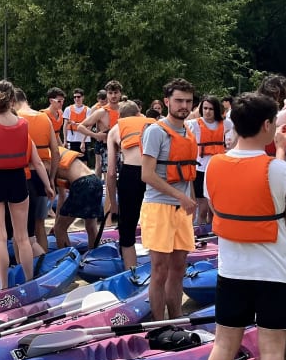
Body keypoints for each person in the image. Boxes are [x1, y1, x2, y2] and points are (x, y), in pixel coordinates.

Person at [192, 92, 286, 360]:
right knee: (272, 350)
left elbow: (216, 204)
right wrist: (284, 154)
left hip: (232, 272)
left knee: (223, 346)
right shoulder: (279, 169)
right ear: (267, 125)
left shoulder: (213, 165)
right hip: (274, 274)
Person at [0, 80, 53, 289]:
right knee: (23, 237)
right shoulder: (23, 124)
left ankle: (3, 286)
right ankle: (29, 281)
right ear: (12, 100)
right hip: (18, 178)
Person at [140, 78, 199, 320]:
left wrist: (189, 200)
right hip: (158, 207)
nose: (183, 105)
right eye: (178, 100)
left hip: (181, 210)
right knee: (160, 269)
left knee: (178, 268)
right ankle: (158, 325)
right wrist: (179, 196)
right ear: (166, 102)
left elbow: (188, 175)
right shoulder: (156, 131)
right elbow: (147, 174)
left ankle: (176, 320)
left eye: (188, 101)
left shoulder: (189, 131)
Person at [105, 100, 151, 268]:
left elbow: (111, 172)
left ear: (120, 117)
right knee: (158, 224)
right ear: (139, 114)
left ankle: (131, 271)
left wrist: (114, 205)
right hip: (157, 174)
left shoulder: (115, 130)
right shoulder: (154, 125)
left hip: (131, 173)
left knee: (127, 229)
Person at [16, 88, 59, 252]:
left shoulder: (15, 119)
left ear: (13, 101)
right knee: (40, 223)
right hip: (43, 175)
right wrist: (52, 179)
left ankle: (26, 267)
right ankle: (44, 264)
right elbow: (55, 152)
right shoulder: (45, 118)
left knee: (22, 229)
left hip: (23, 175)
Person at [187, 96, 234, 226]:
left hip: (217, 168)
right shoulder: (194, 124)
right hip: (200, 168)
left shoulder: (226, 124)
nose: (207, 112)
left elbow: (239, 133)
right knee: (202, 208)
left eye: (211, 109)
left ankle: (212, 232)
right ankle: (200, 230)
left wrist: (231, 149)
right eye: (205, 108)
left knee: (214, 206)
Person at [53, 144, 106, 249]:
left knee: (59, 229)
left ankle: (64, 259)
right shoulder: (58, 151)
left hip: (82, 183)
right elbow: (62, 197)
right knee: (91, 227)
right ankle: (94, 256)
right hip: (95, 181)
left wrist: (57, 223)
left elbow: (62, 196)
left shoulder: (47, 158)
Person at [77, 80, 123, 180]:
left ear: (120, 93)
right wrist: (95, 135)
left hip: (124, 148)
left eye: (116, 92)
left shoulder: (125, 110)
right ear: (107, 94)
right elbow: (80, 126)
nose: (113, 96)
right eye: (110, 93)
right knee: (109, 180)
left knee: (124, 182)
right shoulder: (101, 112)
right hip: (107, 147)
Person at [62, 89, 90, 160]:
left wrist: (83, 141)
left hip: (83, 139)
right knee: (71, 160)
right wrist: (65, 140)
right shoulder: (68, 109)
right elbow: (65, 125)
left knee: (84, 160)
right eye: (75, 97)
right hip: (71, 139)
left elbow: (89, 126)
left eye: (78, 97)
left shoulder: (88, 110)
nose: (76, 99)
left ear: (83, 97)